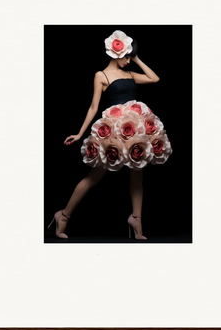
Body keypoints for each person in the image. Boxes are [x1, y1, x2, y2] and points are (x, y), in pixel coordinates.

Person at [47, 30, 172, 240]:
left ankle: (137, 221)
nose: (128, 61)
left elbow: (154, 79)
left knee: (137, 174)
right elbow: (93, 106)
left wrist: (137, 58)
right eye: (126, 56)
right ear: (115, 53)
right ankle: (64, 216)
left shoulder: (130, 73)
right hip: (115, 130)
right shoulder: (101, 75)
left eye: (130, 57)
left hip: (136, 130)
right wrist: (79, 133)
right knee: (93, 177)